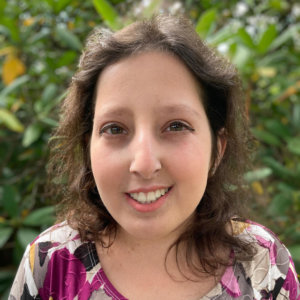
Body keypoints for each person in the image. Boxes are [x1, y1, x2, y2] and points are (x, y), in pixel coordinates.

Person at [9, 14, 299, 300]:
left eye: (176, 126)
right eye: (115, 128)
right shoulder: (50, 263)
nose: (144, 163)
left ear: (217, 150)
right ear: (88, 149)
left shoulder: (265, 265)